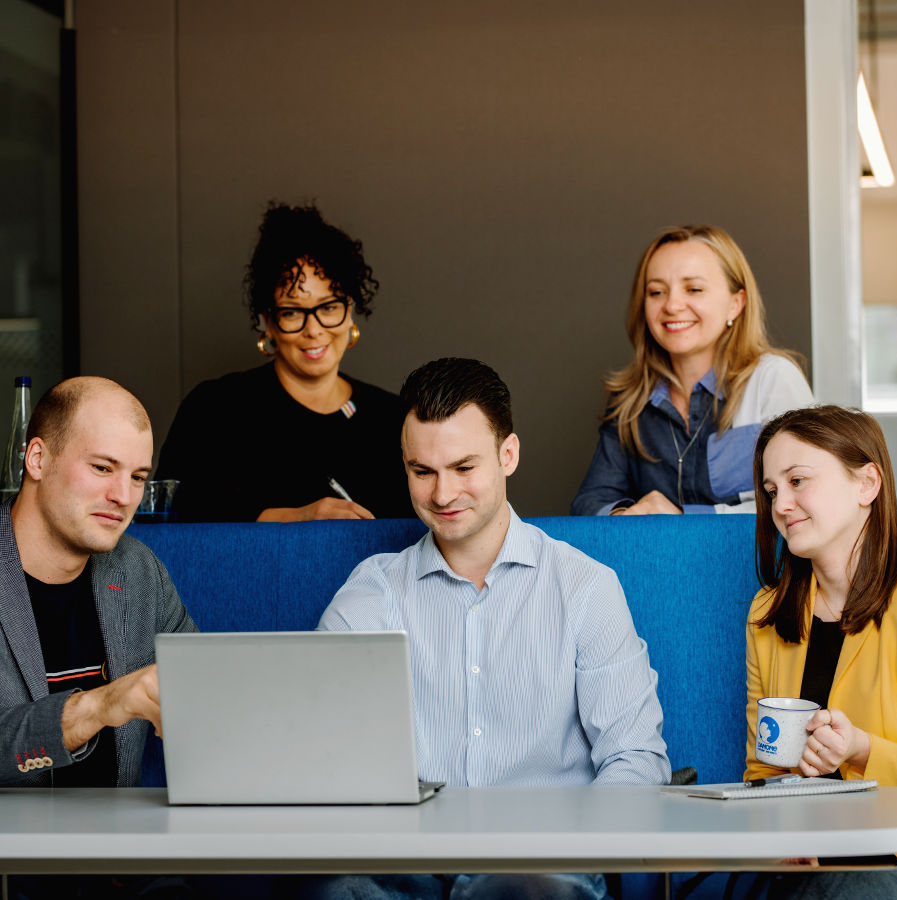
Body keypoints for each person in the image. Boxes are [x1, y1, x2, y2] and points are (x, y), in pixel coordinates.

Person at [316, 357, 670, 900]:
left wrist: (577, 843)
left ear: (509, 455)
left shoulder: (584, 588)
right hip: (403, 865)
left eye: (463, 467)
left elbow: (635, 758)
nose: (441, 494)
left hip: (545, 863)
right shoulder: (370, 595)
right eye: (422, 471)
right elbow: (321, 757)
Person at [1, 377, 198, 899]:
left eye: (138, 476)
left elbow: (204, 688)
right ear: (37, 459)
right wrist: (98, 706)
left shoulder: (136, 571)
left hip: (122, 869)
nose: (123, 497)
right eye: (102, 468)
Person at [156, 202, 412, 522]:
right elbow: (172, 520)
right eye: (292, 312)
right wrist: (295, 519)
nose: (314, 329)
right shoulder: (214, 408)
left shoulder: (392, 419)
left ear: (350, 310)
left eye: (329, 307)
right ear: (268, 322)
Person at [746, 405, 897, 896]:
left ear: (867, 484)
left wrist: (861, 750)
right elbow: (762, 769)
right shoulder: (767, 614)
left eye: (797, 481)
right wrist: (779, 833)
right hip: (807, 863)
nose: (781, 505)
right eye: (771, 491)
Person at [571, 225, 813, 516]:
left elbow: (804, 498)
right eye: (656, 291)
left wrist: (685, 519)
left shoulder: (773, 379)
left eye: (694, 289)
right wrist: (625, 517)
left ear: (735, 304)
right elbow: (588, 504)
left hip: (752, 562)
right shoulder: (630, 402)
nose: (672, 305)